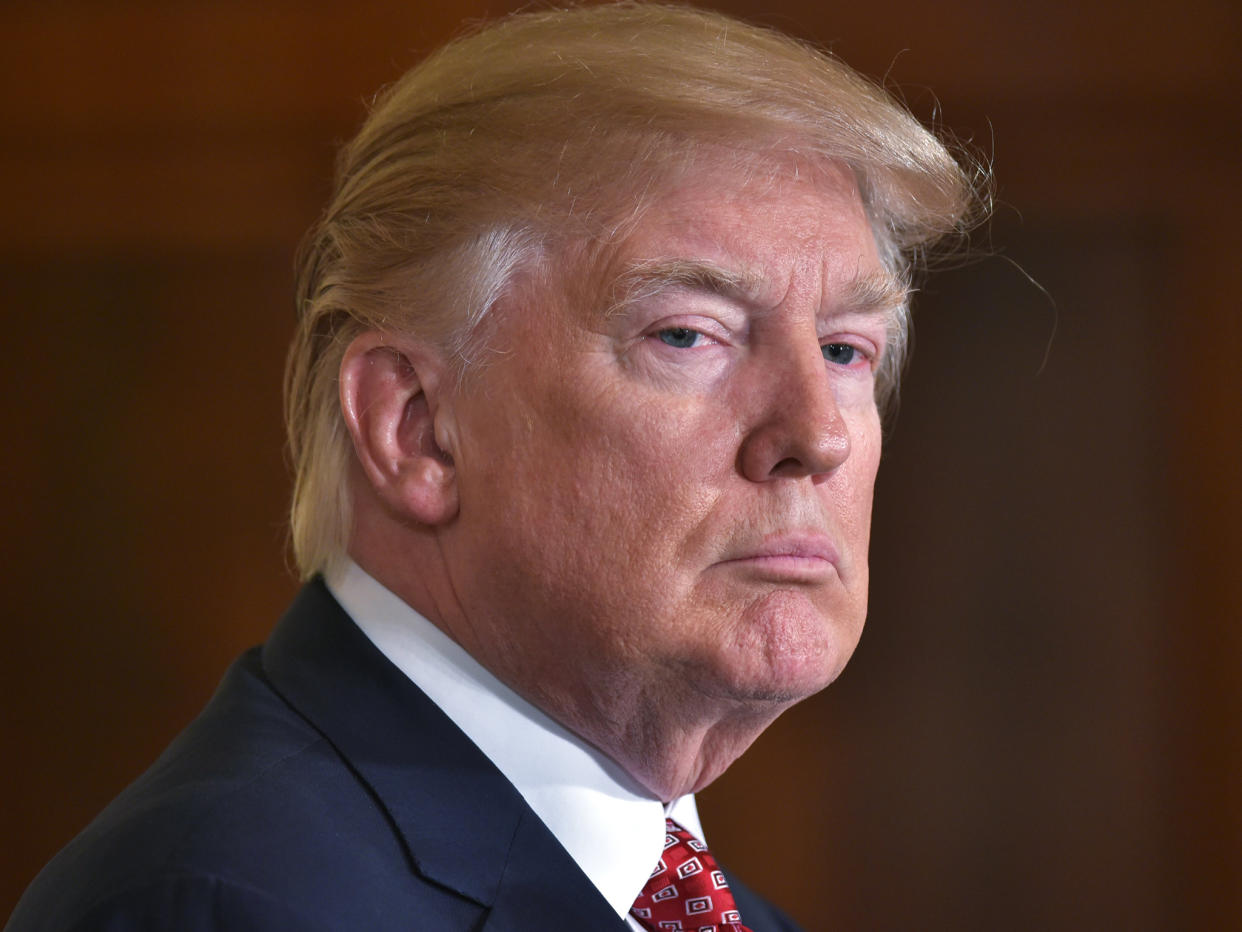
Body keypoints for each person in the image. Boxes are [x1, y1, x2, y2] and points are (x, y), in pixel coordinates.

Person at [8, 3, 979, 930]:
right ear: (417, 428)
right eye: (690, 335)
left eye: (847, 349)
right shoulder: (221, 904)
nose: (819, 434)